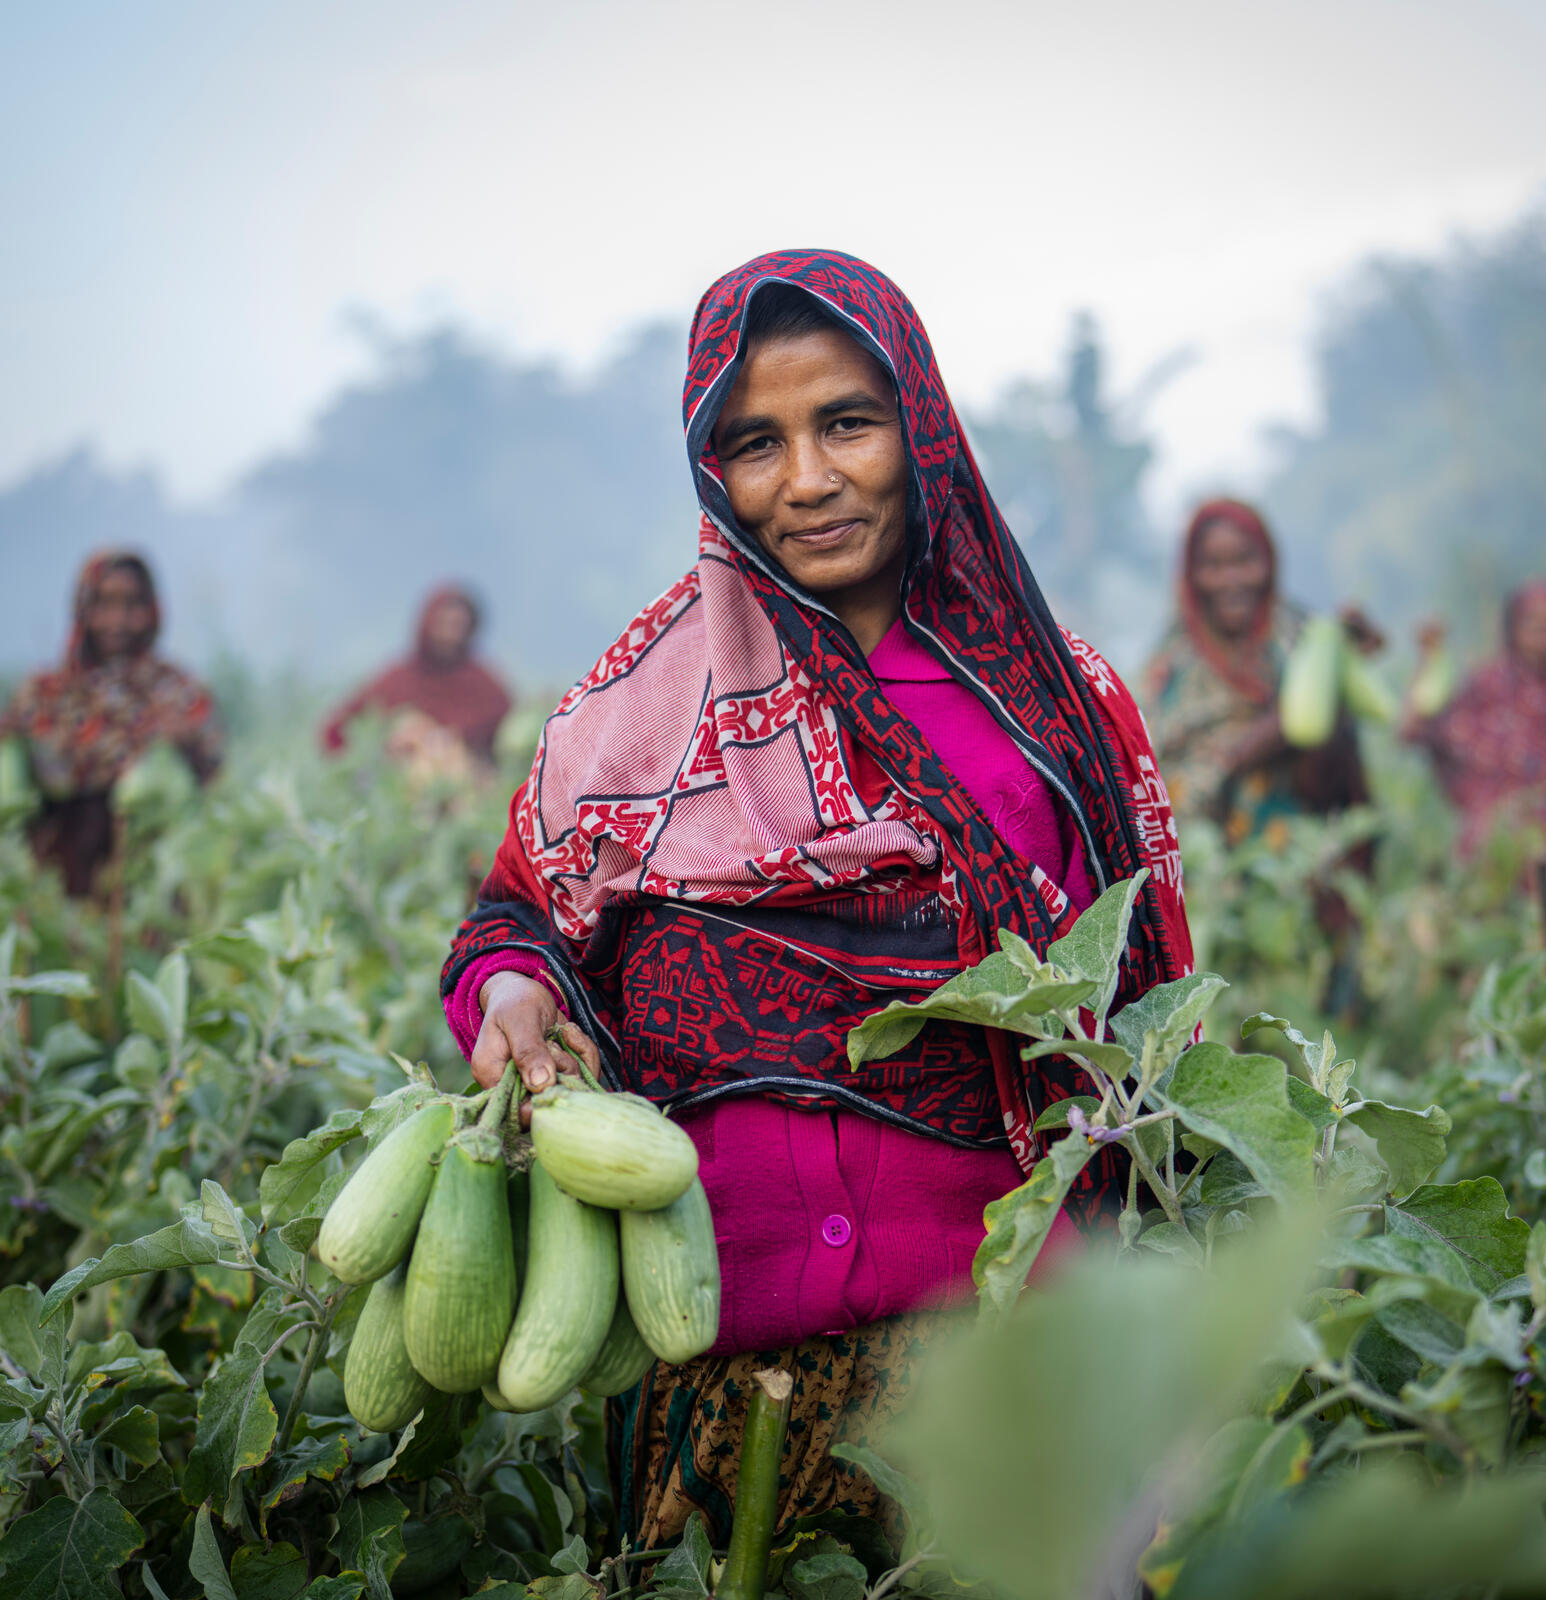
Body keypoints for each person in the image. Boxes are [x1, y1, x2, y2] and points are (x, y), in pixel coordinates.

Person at [441, 251, 1192, 1550]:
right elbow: (518, 918)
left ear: (922, 425)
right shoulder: (636, 711)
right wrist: (509, 992)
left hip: (1002, 1374)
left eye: (847, 421)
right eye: (755, 440)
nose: (808, 478)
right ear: (708, 467)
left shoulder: (1055, 707)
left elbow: (1147, 1023)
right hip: (717, 1378)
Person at [1138, 499, 1378, 848]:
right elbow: (1161, 771)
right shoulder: (1173, 661)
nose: (1231, 579)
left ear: (1268, 562)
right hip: (1209, 841)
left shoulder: (1298, 633)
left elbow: (1348, 691)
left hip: (1303, 826)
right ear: (1192, 574)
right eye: (1214, 565)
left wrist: (1349, 642)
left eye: (1244, 561)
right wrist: (1241, 751)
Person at [0, 550, 222, 896]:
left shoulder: (177, 690)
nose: (118, 620)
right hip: (55, 879)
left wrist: (181, 747)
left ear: (152, 610)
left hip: (148, 881)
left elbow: (209, 768)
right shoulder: (44, 693)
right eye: (104, 604)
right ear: (83, 608)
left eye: (133, 605)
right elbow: (7, 789)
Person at [1405, 580, 1546, 887]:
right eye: (1532, 620)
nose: (1543, 628)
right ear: (1514, 629)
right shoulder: (1486, 686)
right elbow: (1424, 730)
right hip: (1491, 850)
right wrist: (1429, 660)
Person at [320, 584, 512, 780]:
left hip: (467, 788)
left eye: (458, 626)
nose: (449, 635)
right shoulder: (397, 679)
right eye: (443, 624)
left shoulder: (486, 687)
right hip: (397, 787)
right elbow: (339, 728)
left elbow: (510, 741)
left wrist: (450, 741)